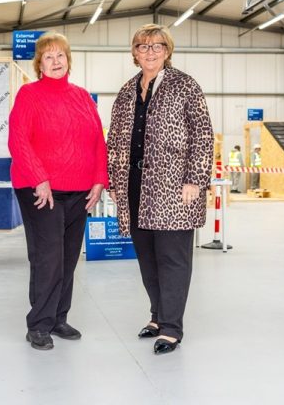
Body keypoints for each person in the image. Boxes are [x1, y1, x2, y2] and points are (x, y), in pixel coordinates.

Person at [107, 24, 214, 355]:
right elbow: (114, 139)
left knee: (172, 259)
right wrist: (114, 180)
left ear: (167, 51)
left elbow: (203, 134)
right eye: (142, 46)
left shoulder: (185, 86)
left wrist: (195, 179)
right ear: (134, 53)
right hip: (135, 187)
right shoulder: (127, 91)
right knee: (148, 258)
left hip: (174, 187)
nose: (149, 51)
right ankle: (157, 315)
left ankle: (171, 327)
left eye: (157, 46)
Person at [8, 32, 108, 351]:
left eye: (60, 56)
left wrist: (98, 180)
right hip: (41, 190)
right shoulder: (29, 94)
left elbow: (97, 141)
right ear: (39, 64)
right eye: (48, 57)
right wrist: (40, 177)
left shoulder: (82, 97)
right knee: (48, 257)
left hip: (79, 191)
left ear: (68, 60)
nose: (55, 61)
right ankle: (38, 324)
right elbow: (18, 140)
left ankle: (57, 317)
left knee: (67, 258)